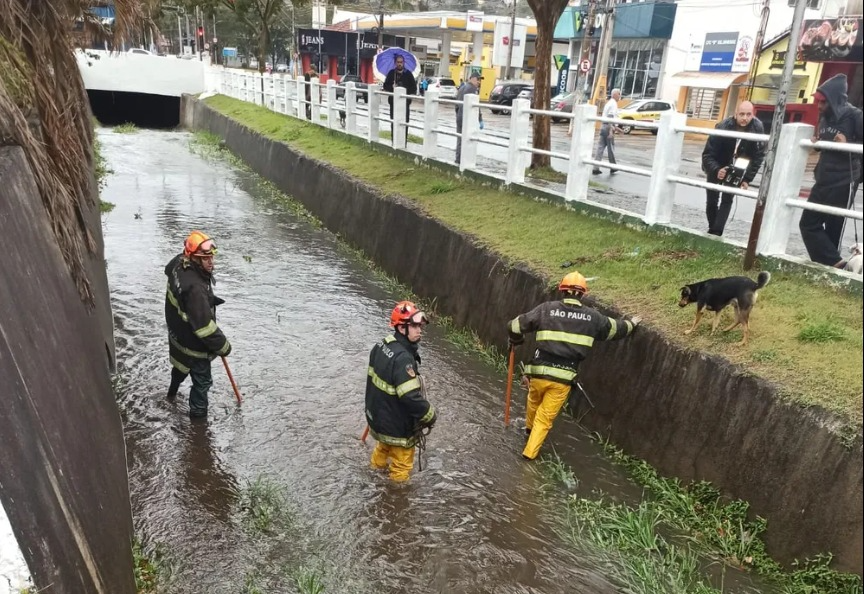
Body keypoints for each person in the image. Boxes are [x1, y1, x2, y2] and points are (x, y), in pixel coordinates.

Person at [507, 272, 641, 460]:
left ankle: (528, 432)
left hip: (537, 374)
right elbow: (616, 329)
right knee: (545, 418)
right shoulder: (593, 318)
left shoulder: (546, 309)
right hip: (562, 379)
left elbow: (514, 326)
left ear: (562, 290)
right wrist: (632, 323)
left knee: (533, 401)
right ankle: (529, 456)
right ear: (583, 294)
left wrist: (516, 341)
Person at [365, 301, 437, 482]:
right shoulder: (404, 358)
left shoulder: (381, 346)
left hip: (379, 420)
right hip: (397, 426)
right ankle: (396, 500)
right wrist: (429, 414)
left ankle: (372, 478)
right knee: (401, 466)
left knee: (382, 451)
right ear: (401, 327)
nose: (419, 330)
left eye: (420, 326)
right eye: (414, 326)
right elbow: (410, 397)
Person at [165, 231, 232, 418]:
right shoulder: (195, 289)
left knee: (179, 367)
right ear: (193, 258)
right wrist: (224, 346)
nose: (211, 262)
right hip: (194, 346)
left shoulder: (178, 263)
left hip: (177, 335)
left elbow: (173, 279)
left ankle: (170, 395)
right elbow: (205, 328)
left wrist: (208, 299)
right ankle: (199, 427)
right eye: (205, 259)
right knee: (202, 383)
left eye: (211, 257)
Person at [799, 74, 863, 268]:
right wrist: (817, 144)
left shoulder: (855, 116)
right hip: (823, 177)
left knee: (833, 227)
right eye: (817, 101)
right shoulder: (824, 116)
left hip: (844, 179)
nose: (818, 106)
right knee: (808, 223)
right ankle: (836, 263)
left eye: (823, 102)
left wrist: (848, 144)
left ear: (834, 99)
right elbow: (825, 143)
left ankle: (831, 268)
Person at [701, 101, 766, 236]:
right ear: (735, 114)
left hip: (739, 166)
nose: (745, 118)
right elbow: (708, 154)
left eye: (749, 114)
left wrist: (747, 178)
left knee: (727, 199)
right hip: (717, 163)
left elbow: (758, 156)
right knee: (712, 200)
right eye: (741, 114)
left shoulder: (757, 127)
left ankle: (716, 232)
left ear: (753, 114)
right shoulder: (723, 126)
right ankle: (712, 228)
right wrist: (717, 169)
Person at [382, 55, 417, 140]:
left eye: (401, 62)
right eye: (398, 62)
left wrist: (404, 89)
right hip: (393, 102)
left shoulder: (408, 74)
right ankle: (393, 139)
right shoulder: (391, 73)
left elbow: (414, 88)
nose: (399, 64)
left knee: (404, 122)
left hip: (405, 103)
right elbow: (385, 86)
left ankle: (403, 140)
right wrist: (392, 87)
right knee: (394, 121)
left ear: (403, 63)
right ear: (395, 63)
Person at [455, 72, 484, 165]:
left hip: (459, 116)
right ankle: (465, 160)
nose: (479, 82)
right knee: (467, 139)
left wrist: (458, 114)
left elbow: (457, 104)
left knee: (460, 138)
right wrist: (480, 119)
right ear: (472, 78)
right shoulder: (472, 89)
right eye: (477, 79)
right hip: (468, 117)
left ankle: (458, 159)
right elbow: (476, 106)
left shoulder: (462, 87)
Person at [592, 88, 622, 175]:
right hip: (608, 127)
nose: (620, 96)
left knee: (600, 148)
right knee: (611, 148)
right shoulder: (613, 104)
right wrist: (611, 131)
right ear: (615, 94)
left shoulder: (609, 103)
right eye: (619, 94)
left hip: (604, 126)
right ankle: (613, 167)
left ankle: (596, 167)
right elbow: (610, 117)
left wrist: (617, 128)